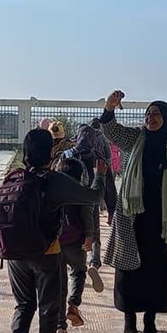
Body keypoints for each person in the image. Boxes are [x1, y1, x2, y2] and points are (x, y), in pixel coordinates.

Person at [98, 91, 167, 333]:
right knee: (129, 271)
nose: (151, 117)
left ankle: (150, 319)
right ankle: (129, 319)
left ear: (166, 118)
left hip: (163, 222)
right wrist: (109, 107)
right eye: (148, 114)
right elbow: (110, 131)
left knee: (158, 272)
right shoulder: (134, 139)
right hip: (132, 219)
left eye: (156, 114)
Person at [1, 129, 106, 333]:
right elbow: (94, 198)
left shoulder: (12, 178)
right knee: (49, 308)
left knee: (24, 304)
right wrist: (100, 175)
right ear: (51, 151)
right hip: (46, 254)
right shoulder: (55, 180)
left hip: (14, 254)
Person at [64, 119, 117, 283]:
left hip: (70, 202)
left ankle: (74, 265)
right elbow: (109, 185)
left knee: (71, 231)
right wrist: (111, 210)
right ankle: (94, 262)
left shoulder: (68, 155)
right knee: (94, 232)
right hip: (91, 200)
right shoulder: (99, 158)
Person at [54, 158, 97, 333]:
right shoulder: (78, 190)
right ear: (79, 175)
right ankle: (73, 304)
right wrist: (89, 236)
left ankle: (60, 330)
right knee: (79, 272)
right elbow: (86, 213)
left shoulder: (52, 189)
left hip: (54, 244)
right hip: (75, 242)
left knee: (58, 286)